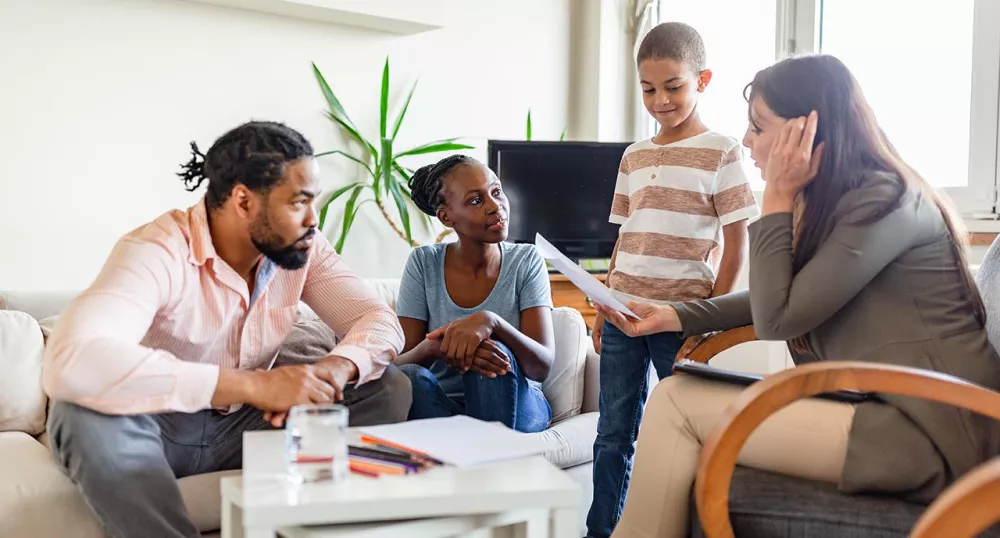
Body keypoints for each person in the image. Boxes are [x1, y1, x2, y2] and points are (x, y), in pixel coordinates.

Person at [597, 54, 1000, 537]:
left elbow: (776, 317)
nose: (747, 141)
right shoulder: (851, 200)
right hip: (884, 410)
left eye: (758, 127)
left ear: (806, 131)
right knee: (677, 400)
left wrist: (778, 198)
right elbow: (782, 295)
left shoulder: (886, 201)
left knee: (677, 406)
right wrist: (671, 315)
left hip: (936, 432)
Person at [43, 121, 410, 538]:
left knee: (388, 386)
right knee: (79, 416)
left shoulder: (303, 247)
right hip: (159, 424)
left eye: (316, 202)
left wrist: (334, 370)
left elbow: (378, 319)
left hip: (249, 429)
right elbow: (71, 358)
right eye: (299, 202)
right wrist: (250, 386)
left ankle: (307, 523)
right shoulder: (158, 249)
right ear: (243, 200)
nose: (314, 219)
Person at [586, 22, 760, 538]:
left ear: (702, 79)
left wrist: (708, 319)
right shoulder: (633, 156)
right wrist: (603, 307)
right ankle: (602, 530)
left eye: (673, 87)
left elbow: (735, 243)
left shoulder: (722, 150)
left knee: (689, 430)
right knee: (612, 432)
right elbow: (624, 238)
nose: (660, 100)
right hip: (621, 315)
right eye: (648, 89)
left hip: (680, 320)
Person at [394, 154, 554, 433]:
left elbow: (541, 367)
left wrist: (492, 323)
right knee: (409, 377)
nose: (496, 207)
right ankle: (470, 452)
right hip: (444, 407)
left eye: (496, 192)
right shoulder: (423, 263)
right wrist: (435, 347)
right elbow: (398, 363)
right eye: (476, 200)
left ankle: (485, 457)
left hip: (519, 403)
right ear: (447, 216)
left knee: (492, 352)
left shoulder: (526, 259)